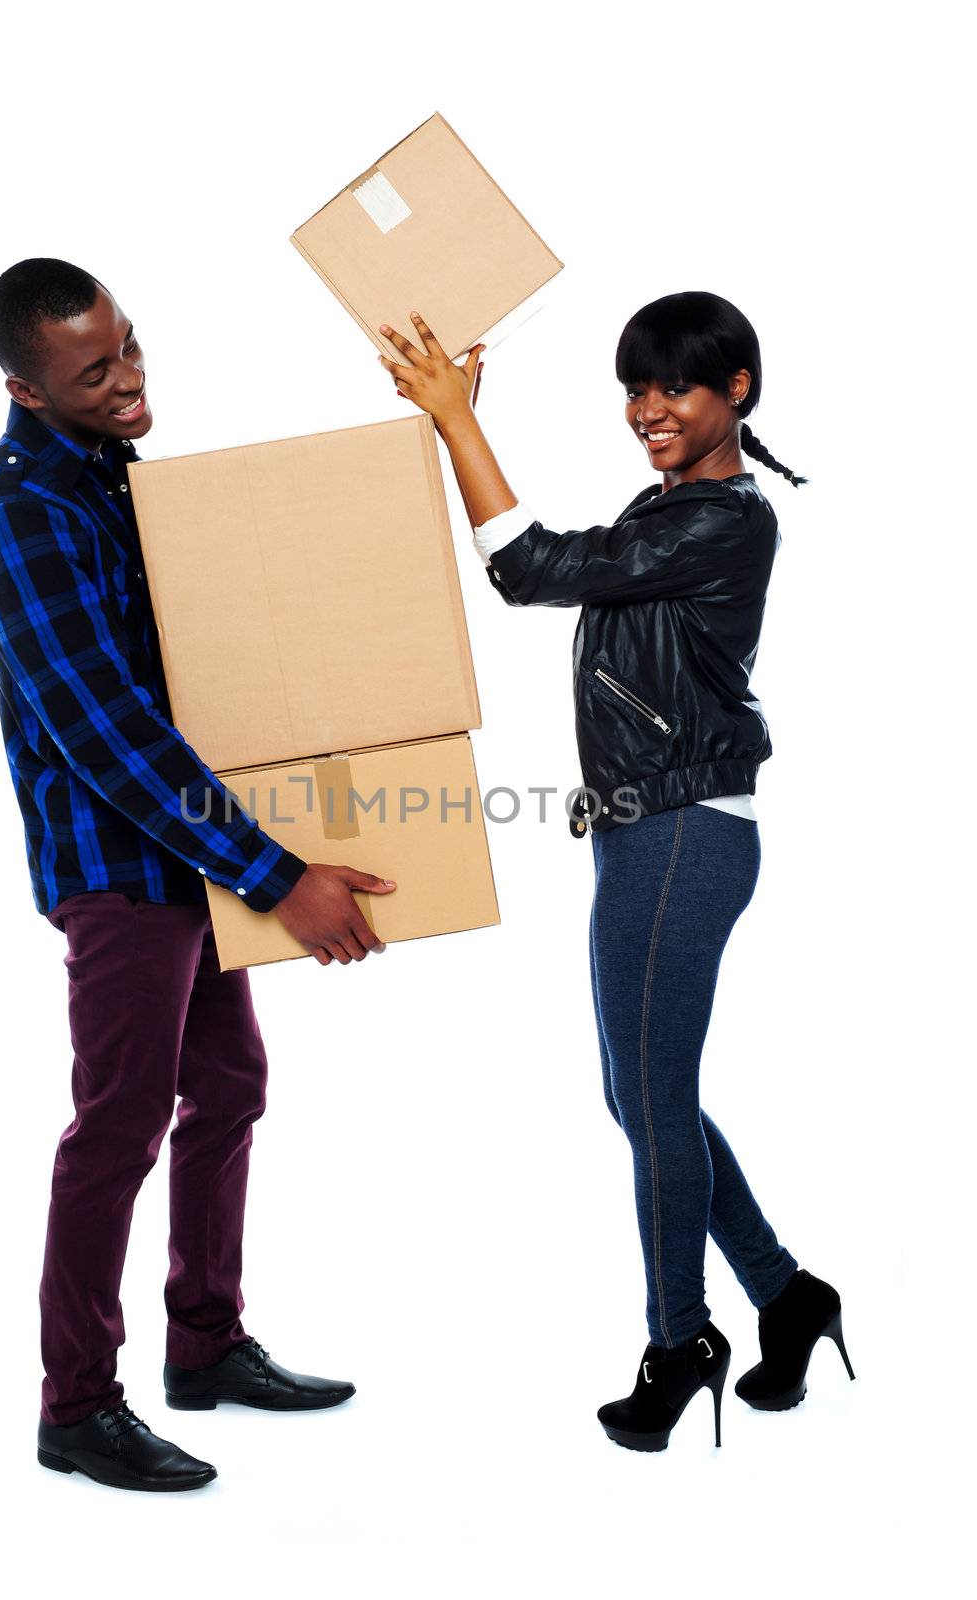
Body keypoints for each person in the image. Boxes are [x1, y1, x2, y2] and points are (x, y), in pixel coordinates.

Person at [377, 290, 854, 1453]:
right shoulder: (677, 505)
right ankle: (787, 1297)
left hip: (684, 830)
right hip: (656, 829)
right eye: (634, 389)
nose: (647, 409)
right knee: (646, 1096)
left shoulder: (724, 519)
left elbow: (531, 567)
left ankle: (681, 1339)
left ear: (736, 389)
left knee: (646, 1098)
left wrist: (455, 421)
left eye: (674, 387)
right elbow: (556, 575)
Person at [0, 258, 398, 1492]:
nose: (131, 377)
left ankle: (202, 1344)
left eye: (130, 345)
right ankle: (78, 1407)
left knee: (233, 1083)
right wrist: (278, 872)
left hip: (190, 852)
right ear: (25, 390)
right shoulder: (14, 519)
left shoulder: (113, 477)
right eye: (94, 371)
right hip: (120, 864)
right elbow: (107, 733)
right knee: (119, 1126)